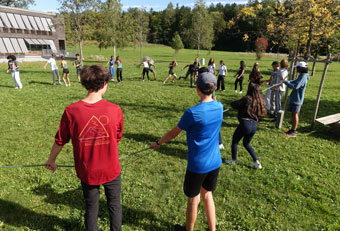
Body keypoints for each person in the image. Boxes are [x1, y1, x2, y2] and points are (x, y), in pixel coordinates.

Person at [45, 64, 123, 231]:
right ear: (104, 85)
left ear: (84, 84)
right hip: (111, 168)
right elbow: (117, 138)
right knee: (115, 204)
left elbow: (60, 140)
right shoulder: (115, 110)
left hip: (88, 170)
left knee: (91, 205)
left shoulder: (71, 111)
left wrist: (51, 160)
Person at [150, 71, 222, 231]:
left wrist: (158, 142)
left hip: (198, 165)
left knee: (193, 199)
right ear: (214, 88)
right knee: (208, 194)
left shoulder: (192, 113)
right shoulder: (219, 107)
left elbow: (173, 133)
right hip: (215, 161)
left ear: (197, 89)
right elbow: (214, 102)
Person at [224, 83, 266, 169]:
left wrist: (236, 102)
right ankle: (257, 162)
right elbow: (261, 116)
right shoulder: (260, 101)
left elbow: (235, 104)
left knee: (235, 141)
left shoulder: (247, 99)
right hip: (254, 125)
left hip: (245, 123)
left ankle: (234, 159)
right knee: (246, 143)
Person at [283, 61, 310, 137]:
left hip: (297, 99)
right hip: (295, 98)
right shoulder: (301, 75)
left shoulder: (303, 76)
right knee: (293, 113)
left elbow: (295, 86)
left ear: (300, 68)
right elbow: (295, 82)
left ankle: (293, 131)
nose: (296, 69)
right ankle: (292, 129)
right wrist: (287, 81)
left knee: (295, 114)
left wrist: (286, 83)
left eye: (297, 68)